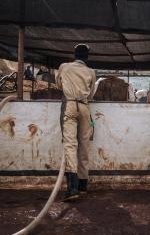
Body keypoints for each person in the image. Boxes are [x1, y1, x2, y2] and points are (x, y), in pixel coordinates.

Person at [56, 44, 96, 201]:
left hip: (70, 105)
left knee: (70, 144)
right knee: (84, 145)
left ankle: (72, 188)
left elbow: (59, 85)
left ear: (74, 55)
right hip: (85, 107)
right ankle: (83, 185)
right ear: (87, 57)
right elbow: (92, 93)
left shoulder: (64, 67)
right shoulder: (91, 72)